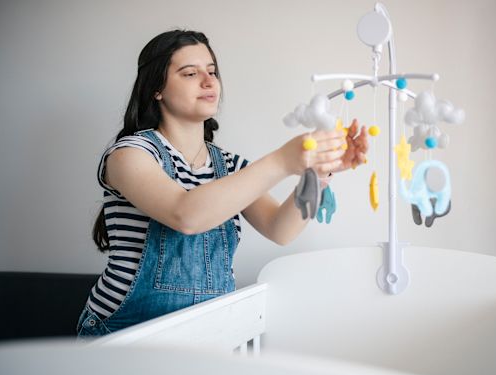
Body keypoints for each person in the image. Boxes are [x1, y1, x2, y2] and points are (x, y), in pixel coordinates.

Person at [76, 30, 368, 338]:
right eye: (190, 73)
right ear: (156, 89)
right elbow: (185, 215)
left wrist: (319, 172)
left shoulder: (229, 166)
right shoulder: (129, 155)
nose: (208, 81)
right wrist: (283, 160)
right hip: (124, 334)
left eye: (212, 71)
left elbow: (280, 229)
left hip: (208, 332)